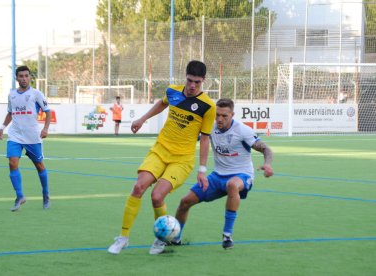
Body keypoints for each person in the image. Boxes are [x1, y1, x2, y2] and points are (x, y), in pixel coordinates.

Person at [108, 60, 216, 255]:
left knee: (157, 196)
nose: (192, 86)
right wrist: (142, 119)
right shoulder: (172, 92)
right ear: (185, 76)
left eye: (197, 83)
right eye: (190, 80)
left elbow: (206, 139)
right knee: (138, 187)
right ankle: (123, 238)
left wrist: (202, 170)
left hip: (182, 160)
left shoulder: (208, 106)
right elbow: (161, 104)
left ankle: (161, 241)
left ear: (204, 81)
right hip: (159, 151)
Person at [174, 98, 274, 249]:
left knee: (232, 185)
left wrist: (267, 164)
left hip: (242, 175)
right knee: (185, 202)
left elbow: (266, 149)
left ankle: (227, 236)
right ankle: (175, 238)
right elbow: (191, 138)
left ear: (232, 114)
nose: (220, 119)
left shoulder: (242, 130)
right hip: (217, 177)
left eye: (224, 116)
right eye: (217, 115)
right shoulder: (210, 129)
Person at [0, 65, 52, 212]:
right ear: (16, 78)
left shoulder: (36, 94)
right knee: (12, 162)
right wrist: (2, 128)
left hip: (32, 136)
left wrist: (45, 129)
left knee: (39, 166)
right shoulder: (12, 95)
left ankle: (45, 193)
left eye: (26, 76)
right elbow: (10, 113)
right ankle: (20, 196)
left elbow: (48, 112)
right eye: (21, 76)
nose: (24, 78)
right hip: (15, 134)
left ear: (29, 77)